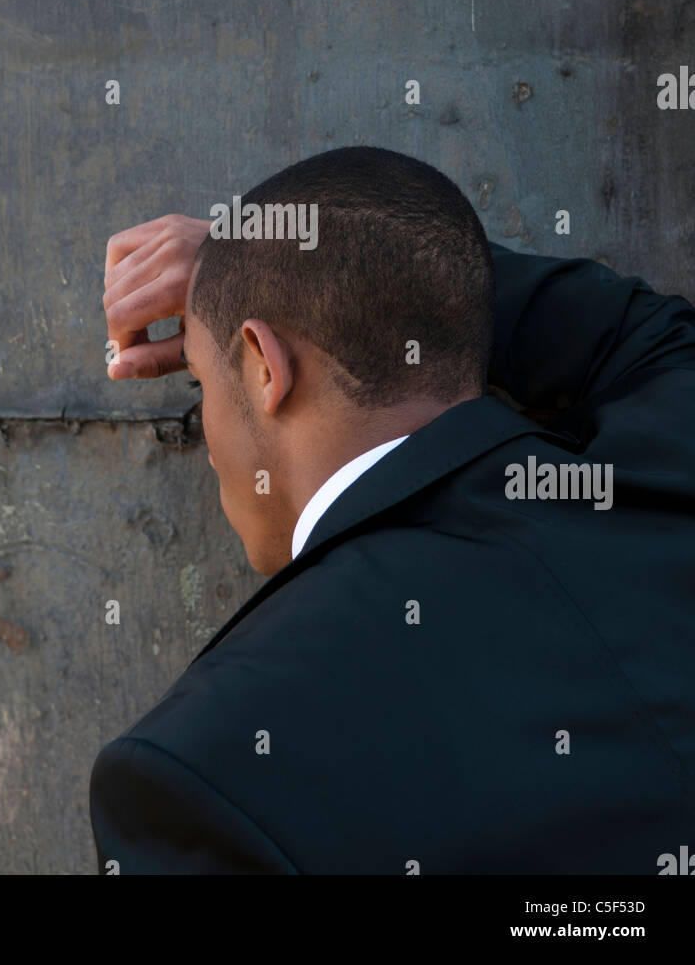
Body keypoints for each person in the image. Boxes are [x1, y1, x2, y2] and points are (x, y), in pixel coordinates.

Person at [90, 146, 695, 874]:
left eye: (197, 382)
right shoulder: (663, 463)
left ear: (262, 367)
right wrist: (288, 271)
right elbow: (643, 333)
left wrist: (254, 268)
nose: (205, 435)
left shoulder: (202, 769)